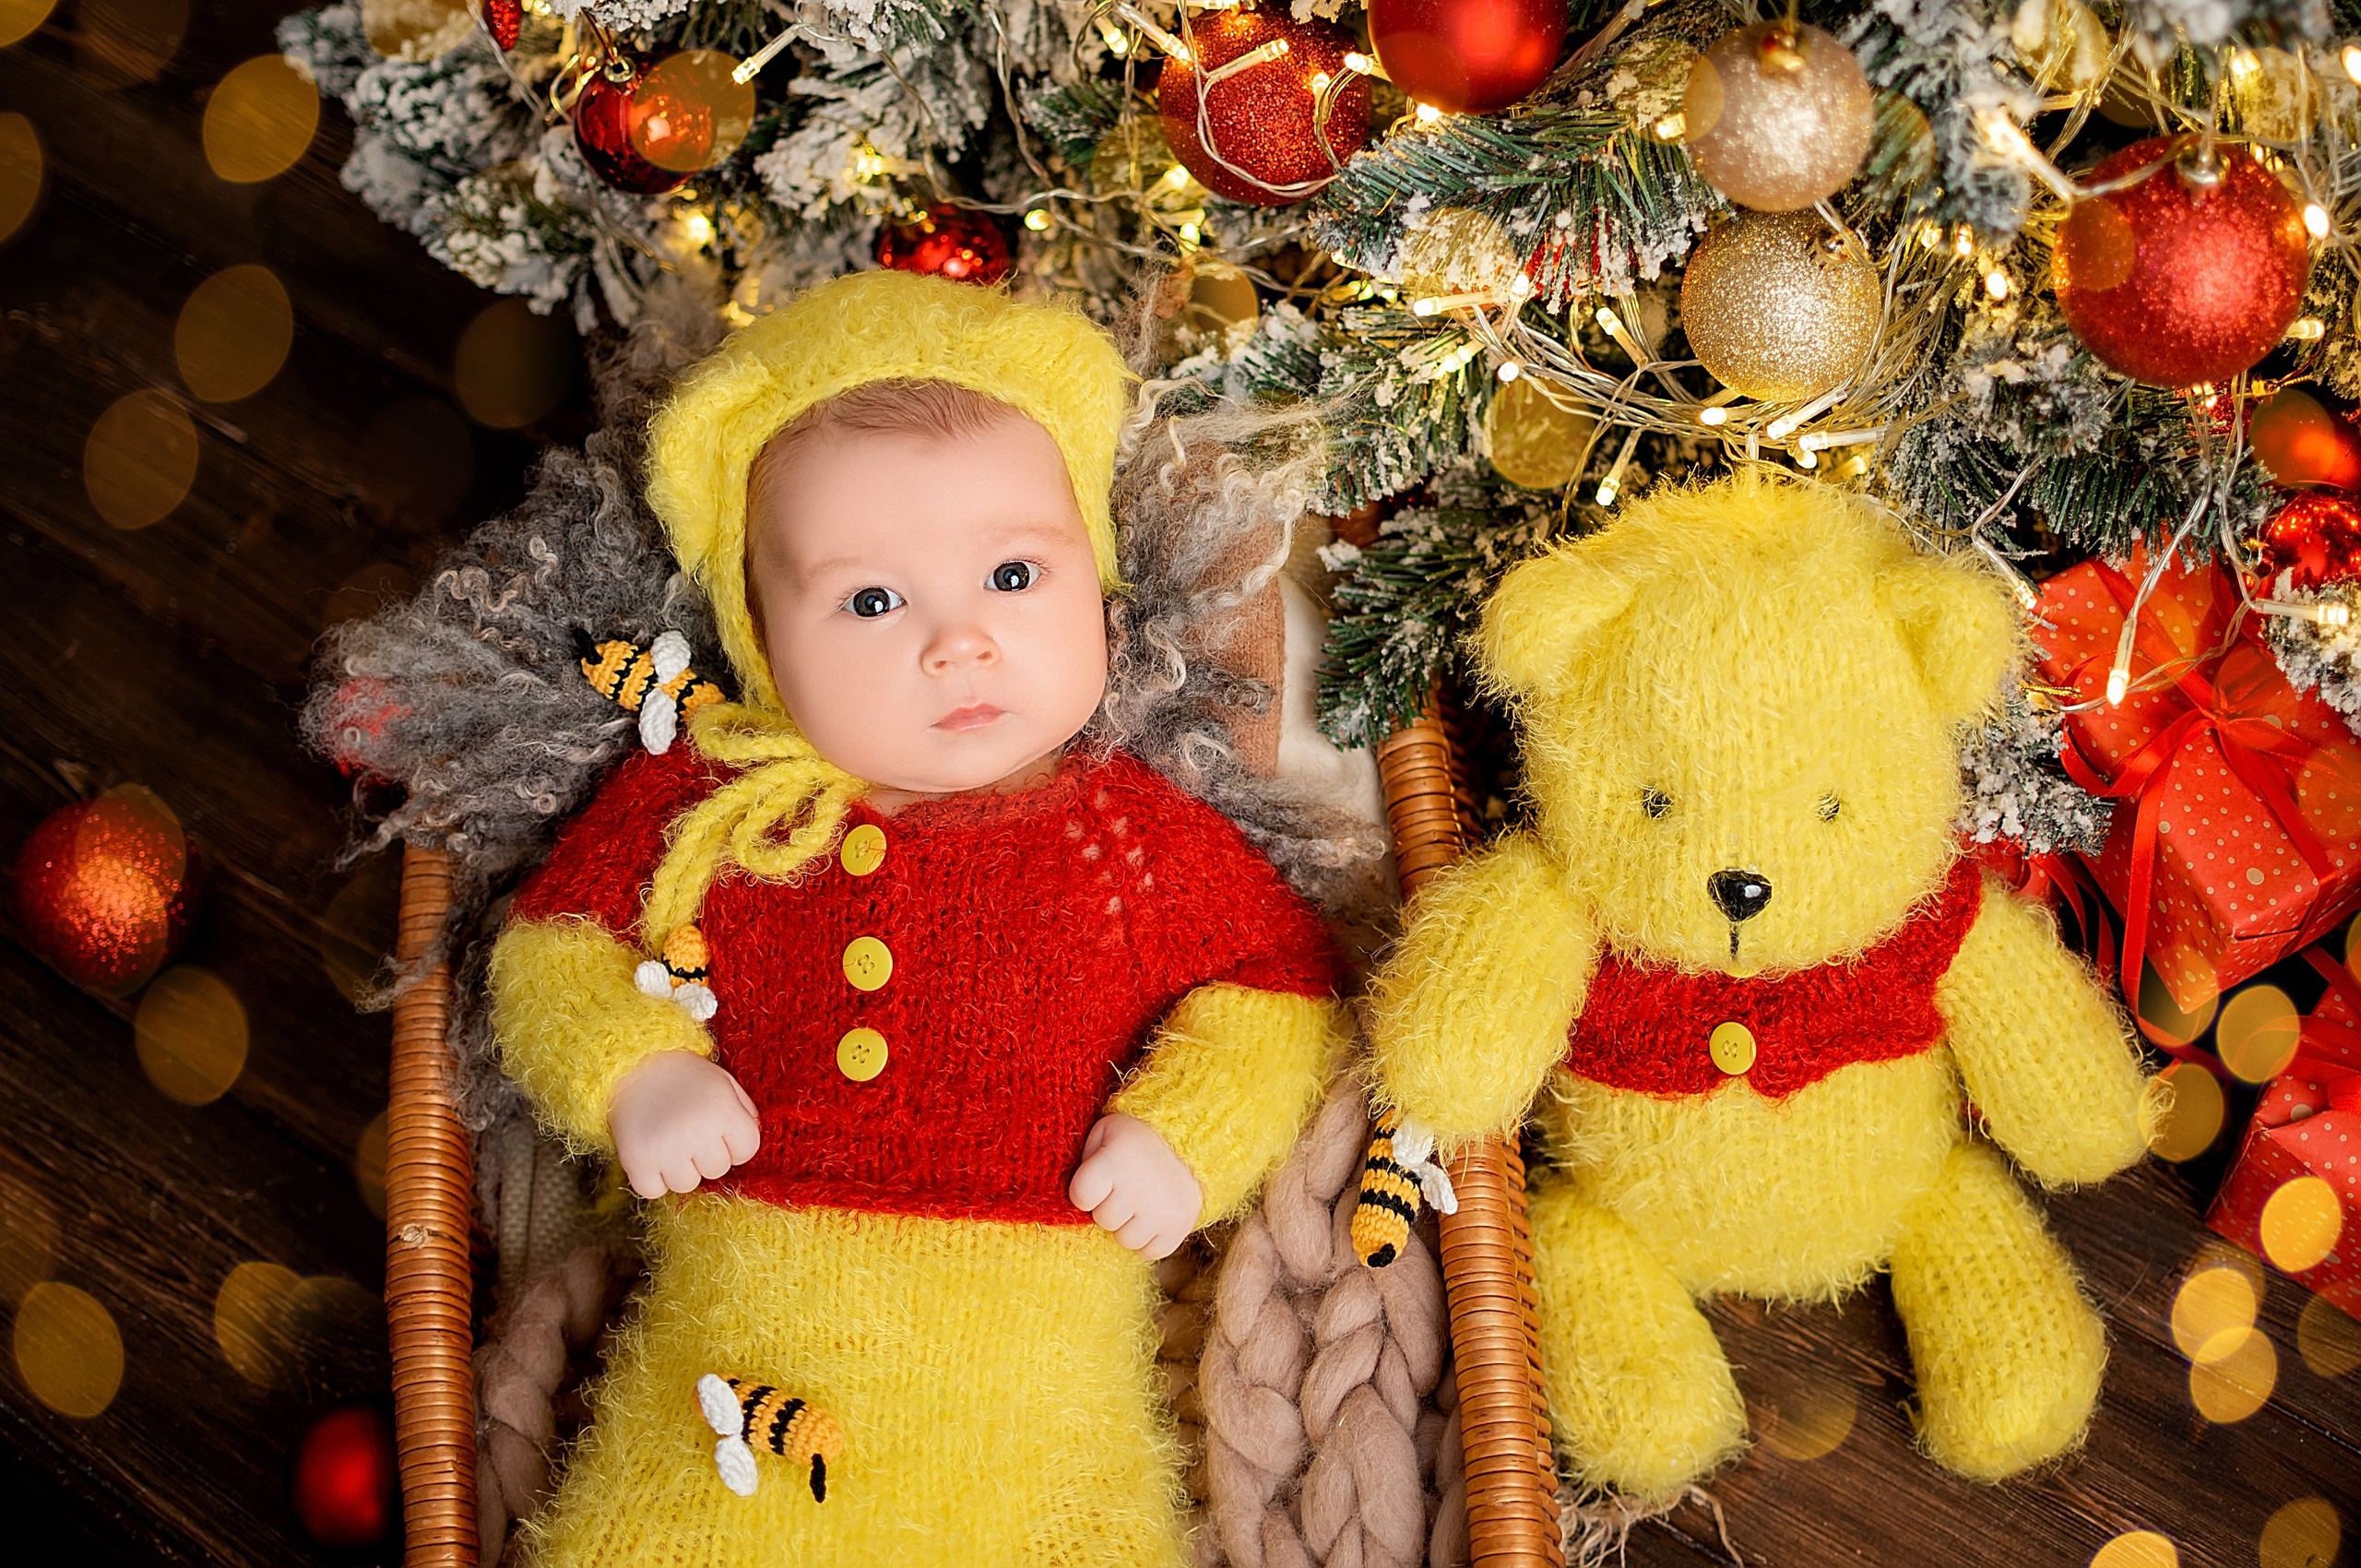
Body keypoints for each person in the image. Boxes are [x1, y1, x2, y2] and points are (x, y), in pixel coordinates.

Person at [488, 268, 1349, 1566]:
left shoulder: (1126, 834)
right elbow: (553, 947)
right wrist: (637, 1070)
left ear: (1098, 592)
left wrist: (1188, 1135)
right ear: (762, 644)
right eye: (873, 601)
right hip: (735, 1377)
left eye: (1012, 573)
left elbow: (1275, 988)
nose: (959, 642)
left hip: (1039, 1395)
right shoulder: (711, 799)